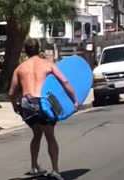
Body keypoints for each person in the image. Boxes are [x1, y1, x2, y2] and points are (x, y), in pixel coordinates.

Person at [8, 38, 78, 180]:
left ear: (25, 51)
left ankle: (34, 167)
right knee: (50, 136)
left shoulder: (20, 68)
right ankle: (55, 171)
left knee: (37, 134)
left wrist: (15, 106)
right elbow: (64, 81)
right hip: (42, 103)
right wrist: (74, 100)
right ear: (38, 49)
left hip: (27, 103)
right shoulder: (47, 64)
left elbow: (11, 93)